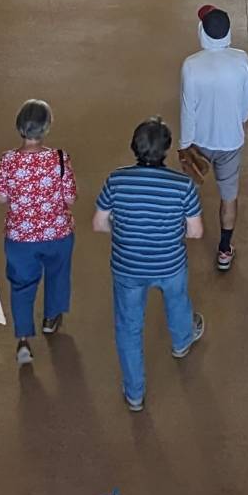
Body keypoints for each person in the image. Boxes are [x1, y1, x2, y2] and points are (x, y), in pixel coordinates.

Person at [94, 119, 207, 412]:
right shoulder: (183, 186)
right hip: (170, 264)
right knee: (178, 301)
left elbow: (99, 223)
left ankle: (134, 393)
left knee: (128, 327)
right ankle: (182, 341)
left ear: (135, 147)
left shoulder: (116, 180)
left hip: (127, 267)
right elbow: (195, 232)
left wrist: (124, 231)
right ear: (166, 150)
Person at [0, 99, 75, 369]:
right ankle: (51, 319)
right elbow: (70, 198)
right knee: (57, 274)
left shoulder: (9, 161)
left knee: (21, 286)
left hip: (20, 237)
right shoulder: (59, 159)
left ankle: (22, 341)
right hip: (57, 232)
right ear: (46, 129)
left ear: (20, 127)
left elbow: (2, 197)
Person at [179, 6, 248, 272]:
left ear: (202, 32)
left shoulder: (191, 65)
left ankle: (180, 236)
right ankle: (224, 250)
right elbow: (246, 106)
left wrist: (185, 145)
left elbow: (188, 110)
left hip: (199, 141)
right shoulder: (241, 60)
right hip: (231, 141)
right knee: (229, 197)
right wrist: (235, 124)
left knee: (188, 192)